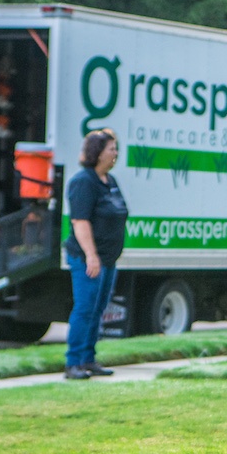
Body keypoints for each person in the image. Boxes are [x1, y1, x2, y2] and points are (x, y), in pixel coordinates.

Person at [64, 128, 128, 380]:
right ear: (98, 153)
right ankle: (73, 363)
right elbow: (80, 222)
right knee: (85, 308)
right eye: (111, 149)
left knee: (98, 308)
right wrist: (91, 256)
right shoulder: (83, 182)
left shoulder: (110, 182)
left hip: (108, 259)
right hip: (88, 259)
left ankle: (89, 360)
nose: (116, 154)